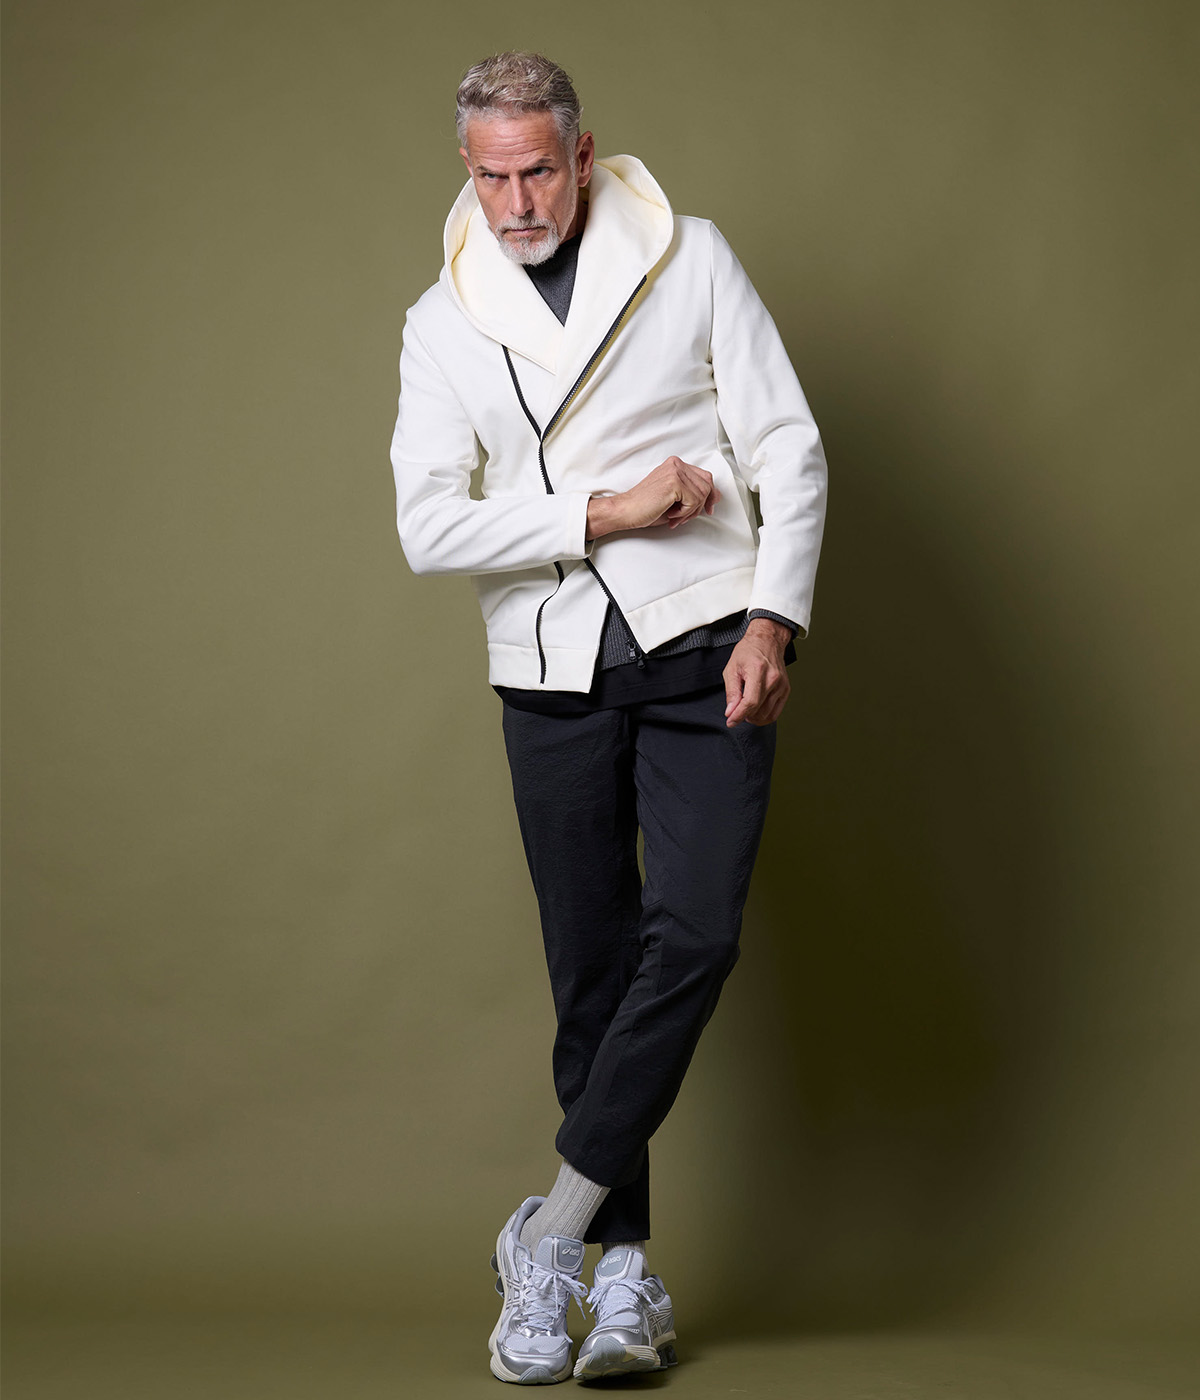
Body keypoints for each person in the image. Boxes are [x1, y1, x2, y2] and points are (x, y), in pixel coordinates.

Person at [389, 51, 828, 1385]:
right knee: (589, 972)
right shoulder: (441, 321)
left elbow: (787, 443)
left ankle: (550, 1233)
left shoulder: (692, 257)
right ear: (465, 170)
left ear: (582, 156)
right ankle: (622, 1277)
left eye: (537, 170)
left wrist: (774, 618)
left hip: (709, 643)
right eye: (492, 176)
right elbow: (428, 525)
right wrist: (606, 513)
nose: (517, 202)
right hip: (551, 666)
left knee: (693, 936)